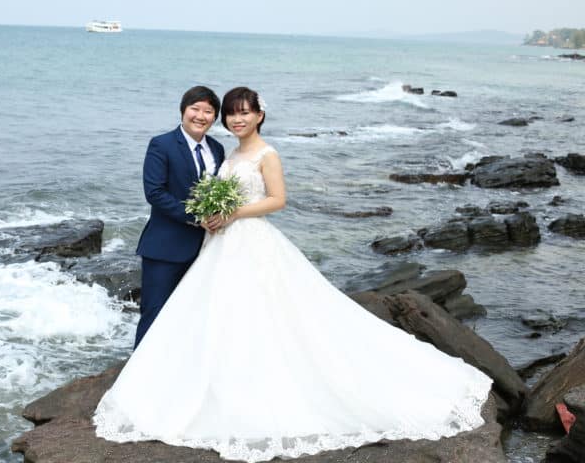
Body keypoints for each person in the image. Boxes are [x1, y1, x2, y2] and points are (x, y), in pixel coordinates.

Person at [94, 86, 493, 462]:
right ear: (187, 111)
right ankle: (149, 379)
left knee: (257, 312)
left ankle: (242, 383)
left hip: (244, 238)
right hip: (201, 243)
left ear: (258, 115)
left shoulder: (261, 153)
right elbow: (157, 193)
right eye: (228, 113)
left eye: (238, 113)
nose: (233, 119)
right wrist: (206, 215)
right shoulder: (211, 150)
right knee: (181, 312)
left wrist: (230, 213)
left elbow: (277, 200)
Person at [133, 85, 226, 348]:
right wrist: (196, 216)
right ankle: (141, 367)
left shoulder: (217, 149)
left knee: (191, 314)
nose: (201, 116)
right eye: (195, 109)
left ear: (215, 117)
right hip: (165, 247)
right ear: (183, 110)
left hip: (205, 248)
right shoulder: (161, 144)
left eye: (208, 111)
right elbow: (154, 192)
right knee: (154, 313)